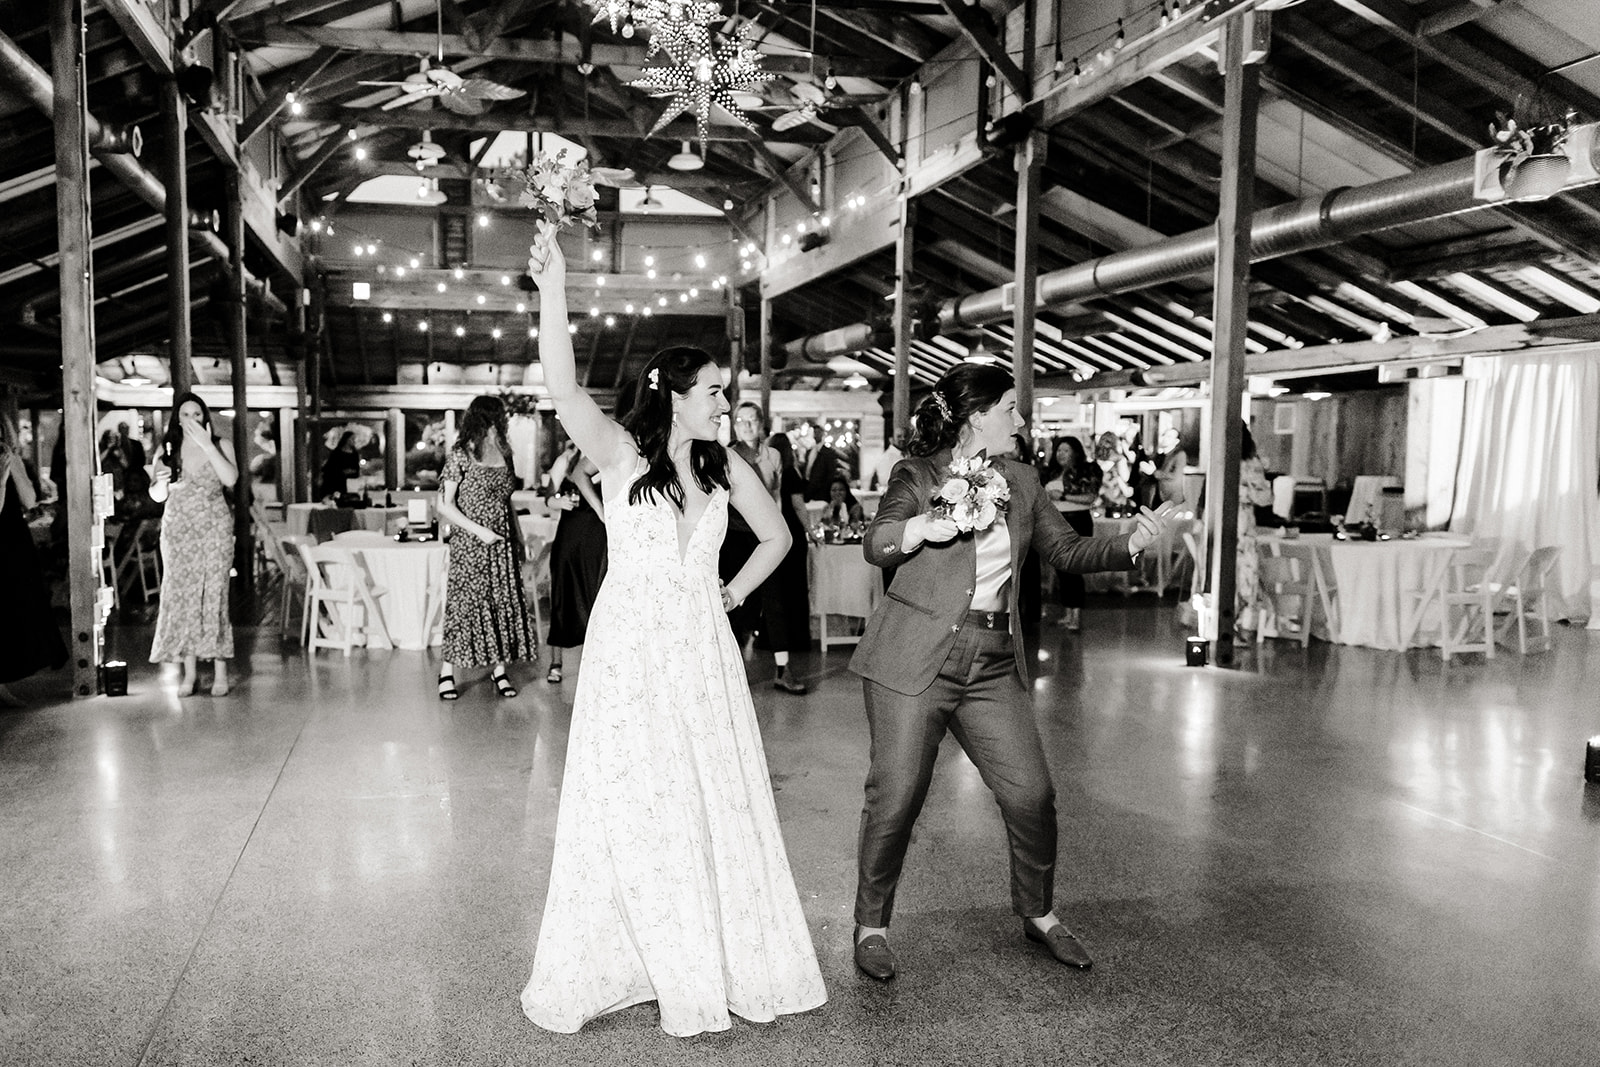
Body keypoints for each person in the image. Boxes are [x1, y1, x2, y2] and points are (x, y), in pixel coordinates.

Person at [520, 243, 826, 1037]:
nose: (727, 399)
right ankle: (636, 949)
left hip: (701, 650)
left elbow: (778, 540)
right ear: (675, 395)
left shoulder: (727, 467)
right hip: (629, 654)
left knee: (705, 793)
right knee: (634, 798)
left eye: (727, 390)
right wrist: (554, 285)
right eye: (716, 390)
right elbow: (560, 385)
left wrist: (729, 592)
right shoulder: (621, 455)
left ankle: (708, 950)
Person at [846, 364, 1172, 981]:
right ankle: (871, 926)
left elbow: (1066, 551)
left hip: (993, 662)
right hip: (915, 657)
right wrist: (922, 525)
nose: (1020, 421)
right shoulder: (917, 474)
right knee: (896, 797)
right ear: (976, 416)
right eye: (1009, 410)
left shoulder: (1021, 480)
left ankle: (1038, 912)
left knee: (1032, 793)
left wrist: (1130, 542)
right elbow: (878, 540)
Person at [433, 396, 538, 699]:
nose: (504, 419)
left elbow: (507, 504)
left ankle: (500, 670)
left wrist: (518, 538)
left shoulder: (505, 452)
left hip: (502, 544)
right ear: (487, 418)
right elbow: (445, 504)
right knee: (466, 605)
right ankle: (447, 673)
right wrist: (480, 532)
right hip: (470, 544)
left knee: (502, 603)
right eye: (500, 415)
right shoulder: (460, 454)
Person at [148, 393, 238, 697]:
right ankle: (189, 674)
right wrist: (161, 482)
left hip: (214, 527)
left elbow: (230, 479)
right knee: (183, 596)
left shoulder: (221, 445)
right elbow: (158, 496)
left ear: (205, 417)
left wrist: (207, 446)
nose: (191, 420)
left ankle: (220, 671)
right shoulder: (168, 448)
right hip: (178, 530)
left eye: (196, 414)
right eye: (185, 415)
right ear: (177, 418)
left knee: (214, 594)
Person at [0, 416, 67, 706]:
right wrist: (1, 480)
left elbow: (29, 500)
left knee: (18, 608)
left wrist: (12, 465)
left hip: (13, 540)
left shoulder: (11, 457)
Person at [543, 446, 607, 685]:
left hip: (598, 534)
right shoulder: (566, 460)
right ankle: (555, 662)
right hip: (569, 535)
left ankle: (594, 661)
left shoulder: (605, 455)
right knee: (562, 591)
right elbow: (547, 497)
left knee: (594, 594)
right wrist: (558, 502)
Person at [720, 402, 780, 644]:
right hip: (735, 534)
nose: (746, 425)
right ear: (734, 426)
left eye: (752, 420)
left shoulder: (772, 455)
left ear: (761, 423)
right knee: (731, 598)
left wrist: (778, 532)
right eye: (740, 420)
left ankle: (782, 667)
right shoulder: (726, 456)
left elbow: (777, 496)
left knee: (775, 598)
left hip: (765, 534)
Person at [759, 431, 811, 694]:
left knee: (777, 592)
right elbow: (798, 505)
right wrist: (809, 530)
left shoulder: (773, 468)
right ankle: (794, 641)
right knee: (791, 590)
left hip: (773, 532)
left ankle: (771, 645)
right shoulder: (791, 472)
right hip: (787, 534)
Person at [1042, 436, 1101, 631]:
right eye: (1059, 450)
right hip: (1056, 521)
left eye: (1065, 450)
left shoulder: (1087, 470)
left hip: (1077, 521)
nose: (1061, 454)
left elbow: (1090, 497)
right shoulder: (1052, 471)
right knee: (1061, 569)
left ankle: (1076, 615)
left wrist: (1064, 496)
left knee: (1074, 568)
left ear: (1075, 452)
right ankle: (1067, 613)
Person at [1235, 423, 1275, 633]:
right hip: (1241, 525)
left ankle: (1226, 625)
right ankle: (1241, 626)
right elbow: (1264, 498)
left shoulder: (1220, 460)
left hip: (1225, 523)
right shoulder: (1251, 464)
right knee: (1245, 575)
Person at [1094, 430, 1132, 515]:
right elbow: (1125, 477)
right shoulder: (1119, 459)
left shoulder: (1096, 460)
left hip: (1099, 497)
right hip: (1116, 497)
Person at [1147, 426, 1187, 505]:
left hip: (1171, 497)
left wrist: (1154, 472)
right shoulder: (1159, 456)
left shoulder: (1179, 455)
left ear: (1176, 441)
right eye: (1164, 435)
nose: (1165, 438)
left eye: (1169, 437)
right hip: (1156, 495)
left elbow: (1175, 475)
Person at [318, 431, 361, 500]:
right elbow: (331, 467)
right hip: (337, 481)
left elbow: (356, 468)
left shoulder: (355, 454)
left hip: (350, 482)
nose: (354, 441)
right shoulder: (337, 452)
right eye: (352, 439)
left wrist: (352, 471)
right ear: (347, 440)